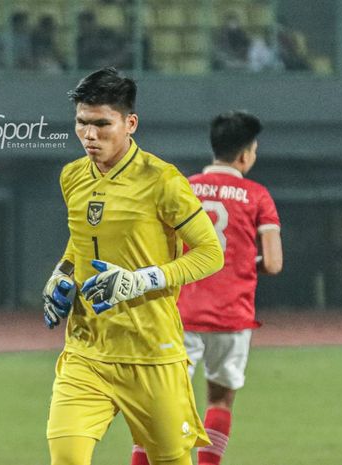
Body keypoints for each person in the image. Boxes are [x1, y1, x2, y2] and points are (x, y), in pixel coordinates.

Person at [43, 67, 225, 465]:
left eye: (101, 124)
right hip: (86, 352)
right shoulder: (72, 177)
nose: (89, 136)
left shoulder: (162, 181)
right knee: (67, 457)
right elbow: (80, 241)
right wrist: (62, 275)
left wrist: (143, 279)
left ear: (130, 123)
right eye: (81, 123)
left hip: (151, 353)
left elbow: (211, 252)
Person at [129, 111, 283, 465]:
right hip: (231, 317)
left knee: (160, 403)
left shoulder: (182, 187)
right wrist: (246, 263)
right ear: (245, 155)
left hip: (178, 314)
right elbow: (273, 263)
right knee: (218, 401)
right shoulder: (258, 196)